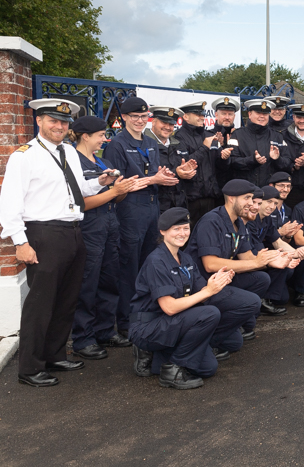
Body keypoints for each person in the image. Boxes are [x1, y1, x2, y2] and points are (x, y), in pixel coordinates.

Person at [0, 99, 113, 387]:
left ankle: (55, 354)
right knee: (41, 303)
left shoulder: (68, 152)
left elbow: (77, 189)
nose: (59, 126)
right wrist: (20, 242)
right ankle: (30, 367)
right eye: (54, 121)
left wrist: (100, 181)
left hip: (73, 230)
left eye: (64, 123)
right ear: (39, 121)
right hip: (43, 233)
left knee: (66, 299)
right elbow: (10, 203)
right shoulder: (24, 156)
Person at [128, 208, 260, 389]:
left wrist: (217, 282)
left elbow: (202, 290)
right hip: (150, 325)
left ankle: (160, 356)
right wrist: (208, 291)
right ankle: (171, 370)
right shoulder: (156, 261)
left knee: (209, 367)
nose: (182, 233)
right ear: (163, 231)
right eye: (176, 229)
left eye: (185, 228)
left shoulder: (185, 258)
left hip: (173, 322)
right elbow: (170, 308)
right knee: (209, 313)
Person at [186, 179, 302, 340]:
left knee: (261, 279)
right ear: (232, 198)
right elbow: (210, 264)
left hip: (223, 278)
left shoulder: (238, 223)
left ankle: (234, 323)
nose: (251, 204)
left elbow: (247, 257)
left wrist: (271, 261)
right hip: (202, 283)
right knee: (252, 303)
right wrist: (257, 262)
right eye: (247, 198)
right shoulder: (212, 221)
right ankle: (207, 336)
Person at [105, 97, 180, 338]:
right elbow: (119, 186)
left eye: (143, 117)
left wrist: (165, 176)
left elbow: (152, 173)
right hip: (129, 211)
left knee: (151, 265)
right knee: (129, 267)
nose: (139, 121)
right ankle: (126, 322)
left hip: (151, 207)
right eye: (134, 116)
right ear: (124, 118)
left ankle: (146, 314)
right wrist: (154, 180)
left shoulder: (149, 142)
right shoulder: (116, 145)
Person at [71, 116, 137, 361]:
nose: (104, 139)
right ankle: (83, 338)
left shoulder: (102, 161)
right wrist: (114, 191)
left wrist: (121, 189)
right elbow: (81, 204)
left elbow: (116, 198)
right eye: (100, 135)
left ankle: (105, 330)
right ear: (85, 136)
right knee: (87, 283)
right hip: (89, 228)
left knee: (110, 280)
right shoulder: (73, 162)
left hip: (110, 225)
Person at [244, 186, 304, 308]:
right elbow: (259, 251)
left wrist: (297, 252)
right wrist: (284, 257)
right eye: (268, 201)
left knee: (283, 299)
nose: (272, 206)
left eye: (275, 203)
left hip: (260, 255)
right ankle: (263, 299)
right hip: (249, 259)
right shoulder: (250, 220)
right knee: (281, 265)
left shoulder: (267, 219)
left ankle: (272, 297)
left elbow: (278, 242)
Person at [225, 99, 291, 187]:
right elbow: (231, 162)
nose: (262, 116)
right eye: (258, 113)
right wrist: (252, 160)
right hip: (245, 190)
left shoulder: (277, 136)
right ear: (249, 114)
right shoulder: (237, 135)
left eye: (265, 114)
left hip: (269, 192)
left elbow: (287, 163)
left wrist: (277, 159)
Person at [178, 100, 222, 224]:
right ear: (186, 117)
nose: (202, 117)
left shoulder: (208, 135)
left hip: (211, 196)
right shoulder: (179, 137)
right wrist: (204, 148)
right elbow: (186, 165)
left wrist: (225, 156)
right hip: (191, 198)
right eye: (197, 114)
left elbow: (219, 165)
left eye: (202, 114)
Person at [145, 105, 193, 212]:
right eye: (163, 122)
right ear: (153, 122)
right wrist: (176, 172)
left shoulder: (178, 144)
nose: (167, 127)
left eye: (171, 124)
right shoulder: (144, 144)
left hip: (179, 204)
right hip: (153, 205)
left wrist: (188, 172)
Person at [282, 103, 304, 208]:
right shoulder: (283, 135)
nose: (302, 120)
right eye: (299, 117)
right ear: (293, 117)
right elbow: (278, 161)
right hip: (289, 190)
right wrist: (293, 166)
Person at [208, 96, 239, 197]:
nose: (227, 117)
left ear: (234, 116)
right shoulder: (208, 135)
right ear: (216, 115)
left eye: (230, 114)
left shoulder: (239, 135)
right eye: (223, 114)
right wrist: (220, 148)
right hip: (214, 190)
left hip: (236, 188)